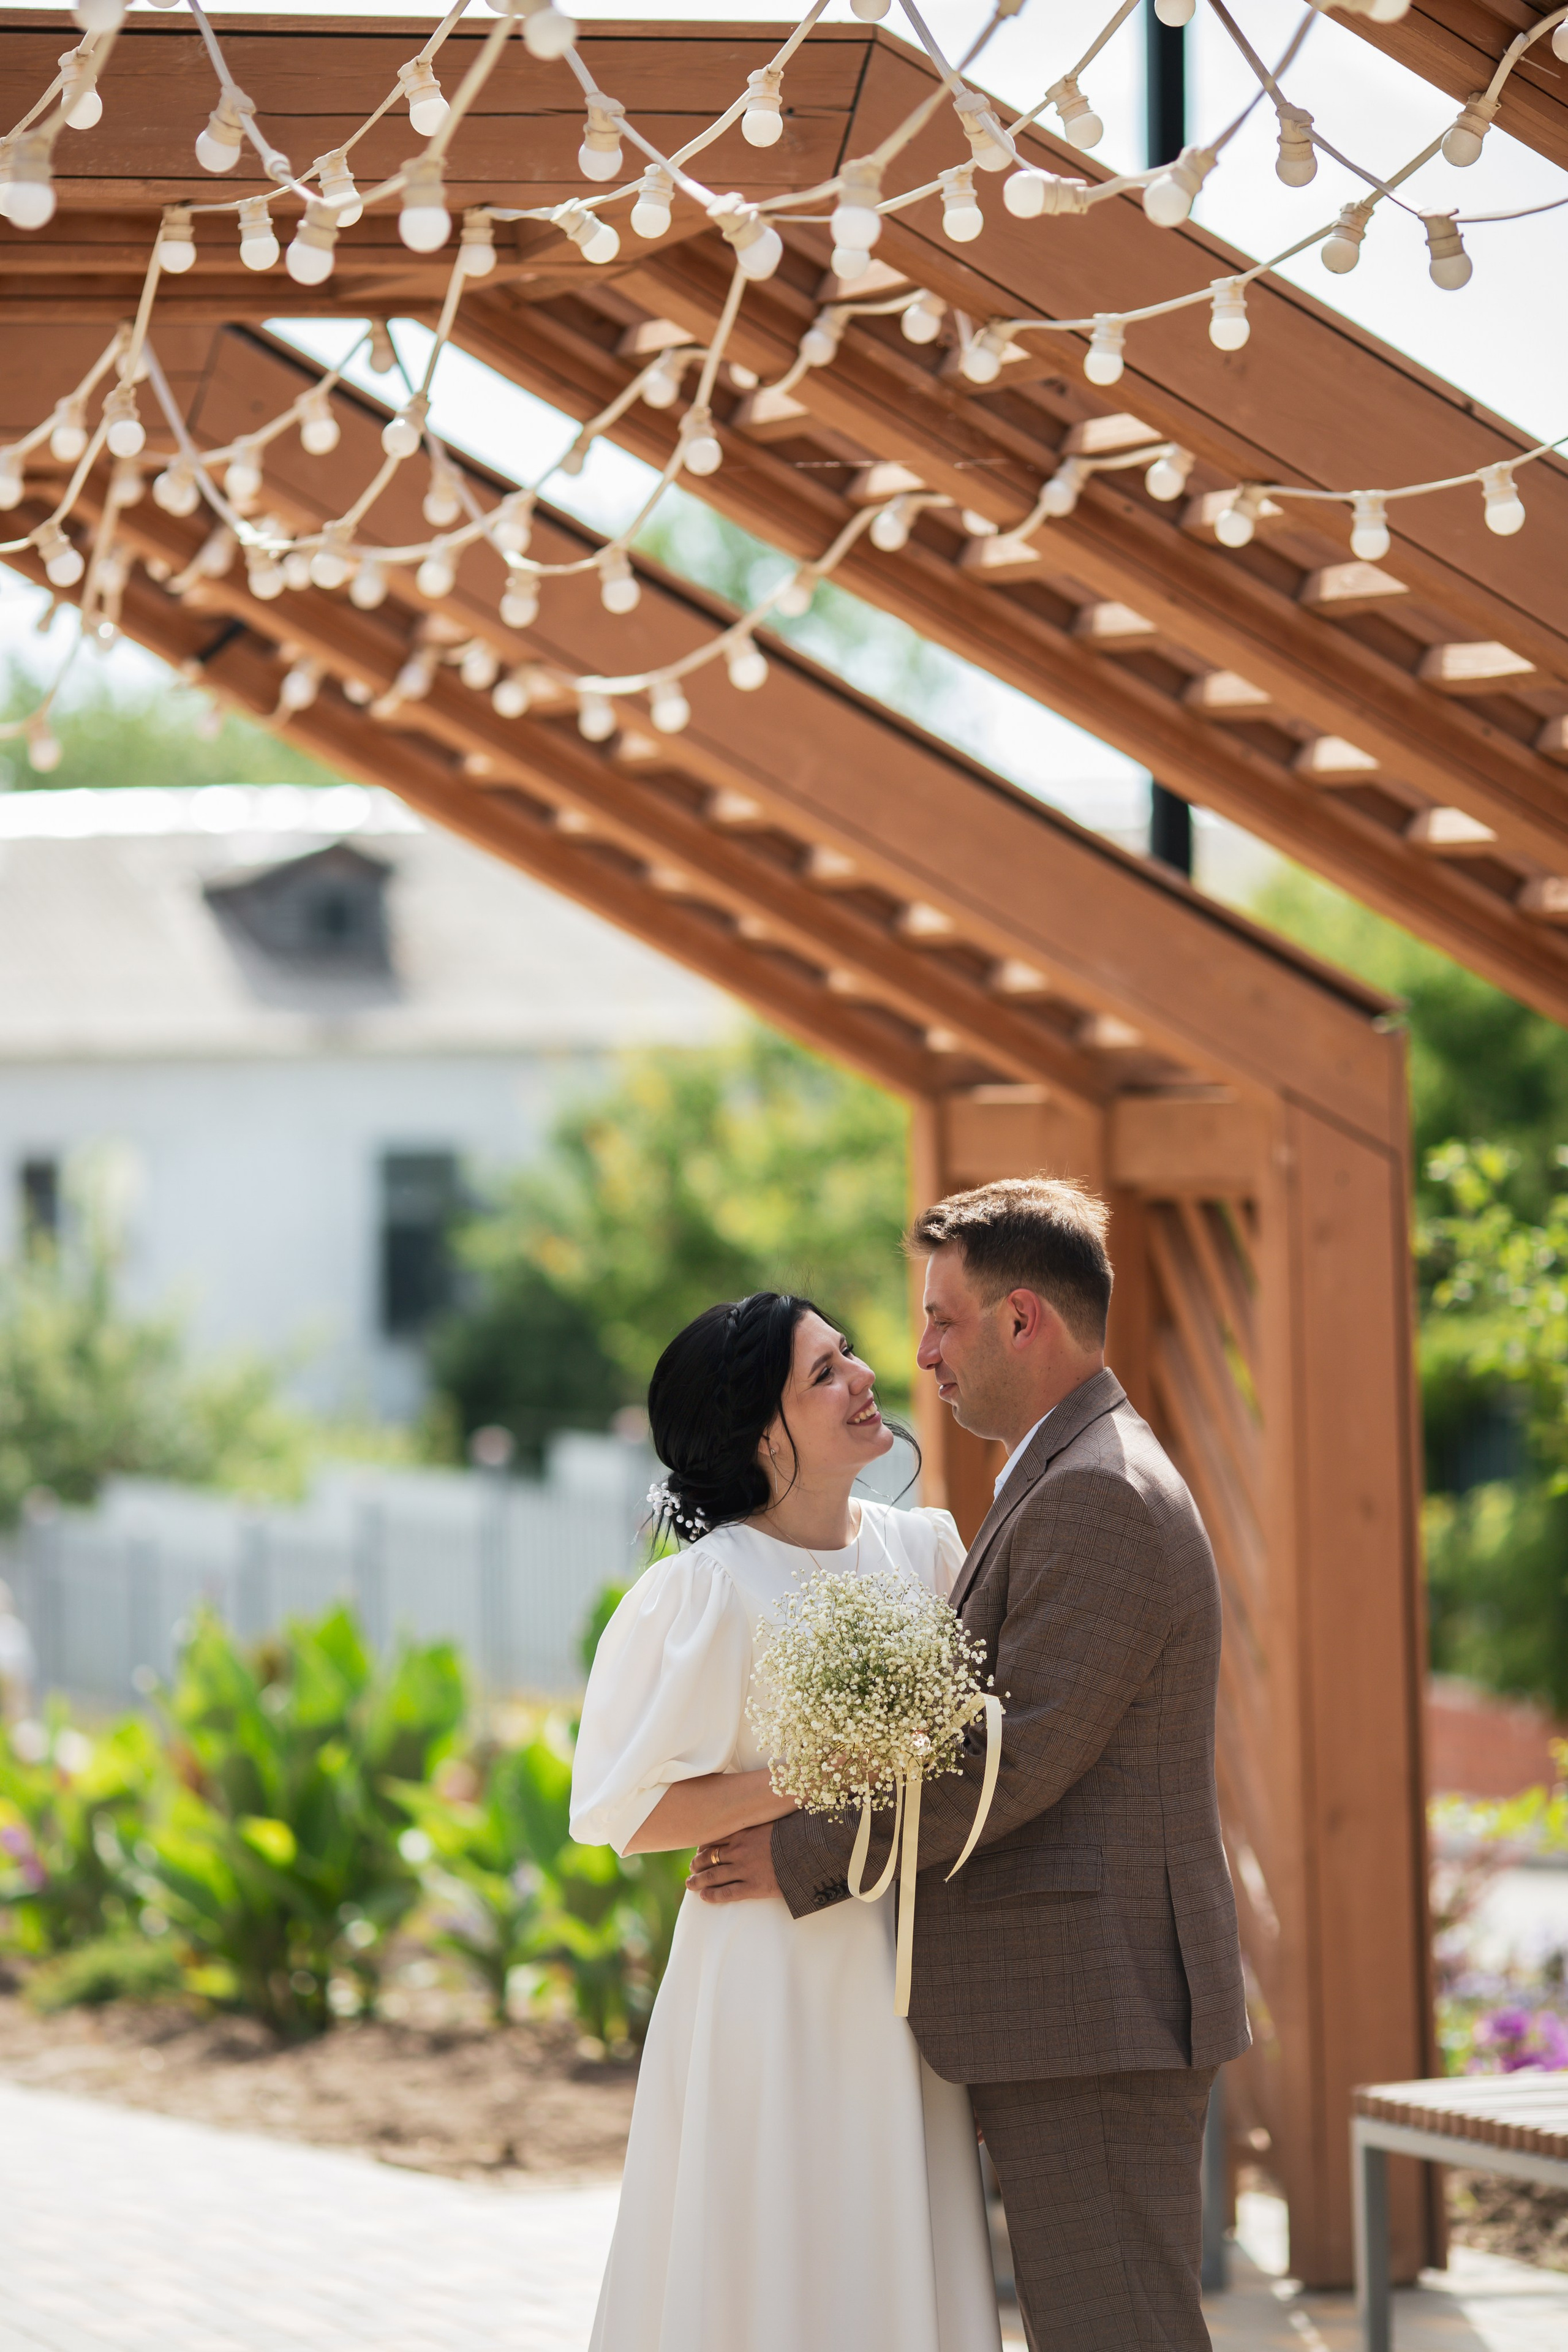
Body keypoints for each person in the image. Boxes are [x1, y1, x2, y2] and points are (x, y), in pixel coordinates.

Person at [692, 1178, 1250, 2352]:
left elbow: (1013, 1760)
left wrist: (799, 1853)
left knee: (1119, 2333)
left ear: (1022, 1319)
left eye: (943, 1320)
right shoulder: (1069, 1470)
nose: (923, 1355)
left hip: (1096, 2015)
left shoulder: (1097, 1491)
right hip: (1075, 2012)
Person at [570, 1292, 1001, 2352]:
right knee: (772, 2243)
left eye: (847, 1354)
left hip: (901, 1963)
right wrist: (820, 1775)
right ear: (763, 1434)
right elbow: (629, 1811)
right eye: (824, 1373)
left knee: (890, 2232)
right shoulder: (706, 1590)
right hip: (764, 1975)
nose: (864, 1378)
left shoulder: (926, 1552)